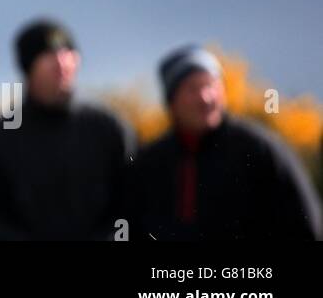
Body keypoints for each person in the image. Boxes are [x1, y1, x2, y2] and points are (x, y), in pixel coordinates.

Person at [132, 45, 321, 241]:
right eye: (192, 89)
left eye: (211, 86)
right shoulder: (150, 163)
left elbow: (306, 225)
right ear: (171, 101)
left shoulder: (260, 149)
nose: (205, 98)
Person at [0, 19, 134, 240]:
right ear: (28, 67)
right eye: (48, 54)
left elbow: (132, 209)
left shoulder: (109, 129)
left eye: (67, 52)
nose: (61, 62)